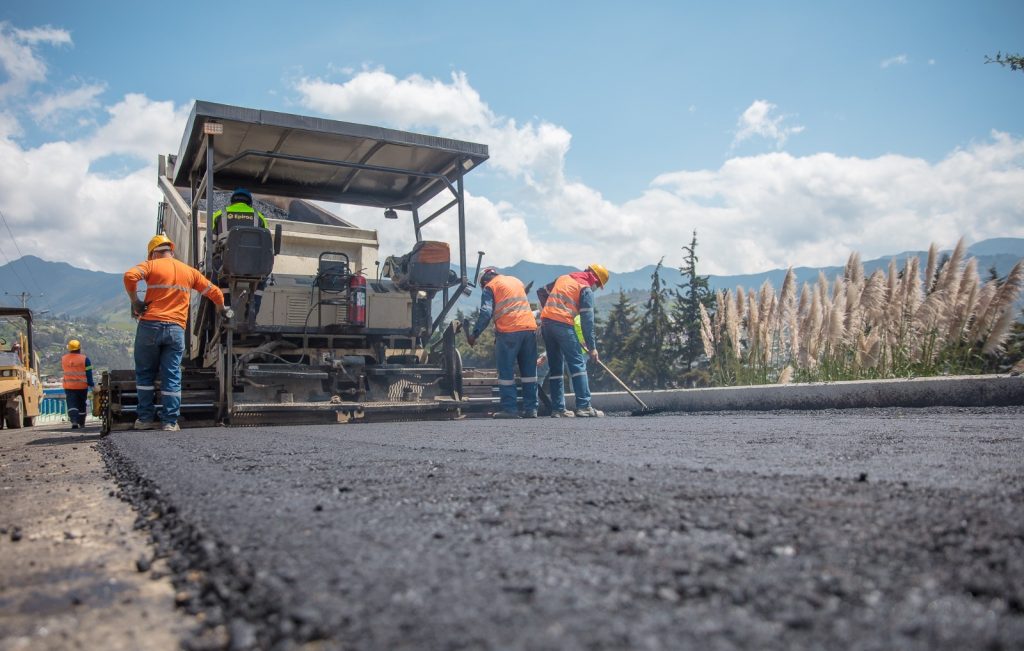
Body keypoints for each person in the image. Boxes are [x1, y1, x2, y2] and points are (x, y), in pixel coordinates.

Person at [123, 234, 227, 432]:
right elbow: (216, 293)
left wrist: (135, 301)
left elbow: (129, 276)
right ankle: (170, 422)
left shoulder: (151, 266)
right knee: (171, 375)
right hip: (175, 329)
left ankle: (145, 419)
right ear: (171, 250)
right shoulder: (189, 271)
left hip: (150, 326)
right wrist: (222, 310)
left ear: (153, 253)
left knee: (145, 373)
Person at [466, 267, 539, 419]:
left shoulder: (490, 287)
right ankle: (531, 409)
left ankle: (510, 409)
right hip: (529, 329)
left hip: (509, 332)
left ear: (484, 280)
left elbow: (486, 312)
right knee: (529, 373)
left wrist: (475, 334)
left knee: (506, 372)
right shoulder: (516, 281)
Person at [539, 264, 609, 417]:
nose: (596, 287)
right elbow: (587, 321)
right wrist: (592, 348)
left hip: (546, 323)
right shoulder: (585, 288)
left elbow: (541, 291)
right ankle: (584, 406)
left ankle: (558, 409)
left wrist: (549, 311)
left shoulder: (563, 278)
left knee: (556, 367)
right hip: (563, 324)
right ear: (595, 279)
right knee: (577, 364)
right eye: (598, 285)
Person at [211, 188, 270, 315]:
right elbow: (266, 243)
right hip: (253, 265)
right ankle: (252, 310)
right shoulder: (259, 217)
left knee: (219, 278)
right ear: (249, 202)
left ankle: (226, 309)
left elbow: (210, 242)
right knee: (263, 279)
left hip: (227, 263)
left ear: (232, 201)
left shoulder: (219, 214)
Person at [61, 339, 94, 429]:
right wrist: (91, 384)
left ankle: (74, 421)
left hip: (69, 387)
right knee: (81, 404)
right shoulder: (85, 359)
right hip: (82, 387)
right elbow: (89, 373)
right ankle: (82, 422)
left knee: (72, 404)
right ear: (79, 348)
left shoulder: (64, 359)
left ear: (69, 348)